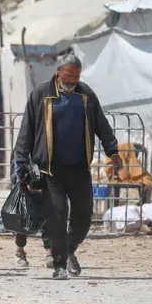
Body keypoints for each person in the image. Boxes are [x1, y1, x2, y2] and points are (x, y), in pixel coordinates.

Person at [13, 54, 122, 280]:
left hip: (79, 167)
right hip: (49, 170)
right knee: (58, 214)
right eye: (68, 74)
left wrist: (113, 151)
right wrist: (21, 161)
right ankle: (59, 264)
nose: (72, 79)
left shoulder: (86, 95)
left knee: (84, 214)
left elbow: (102, 124)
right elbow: (27, 130)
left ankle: (69, 247)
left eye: (76, 75)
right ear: (59, 71)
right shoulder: (41, 94)